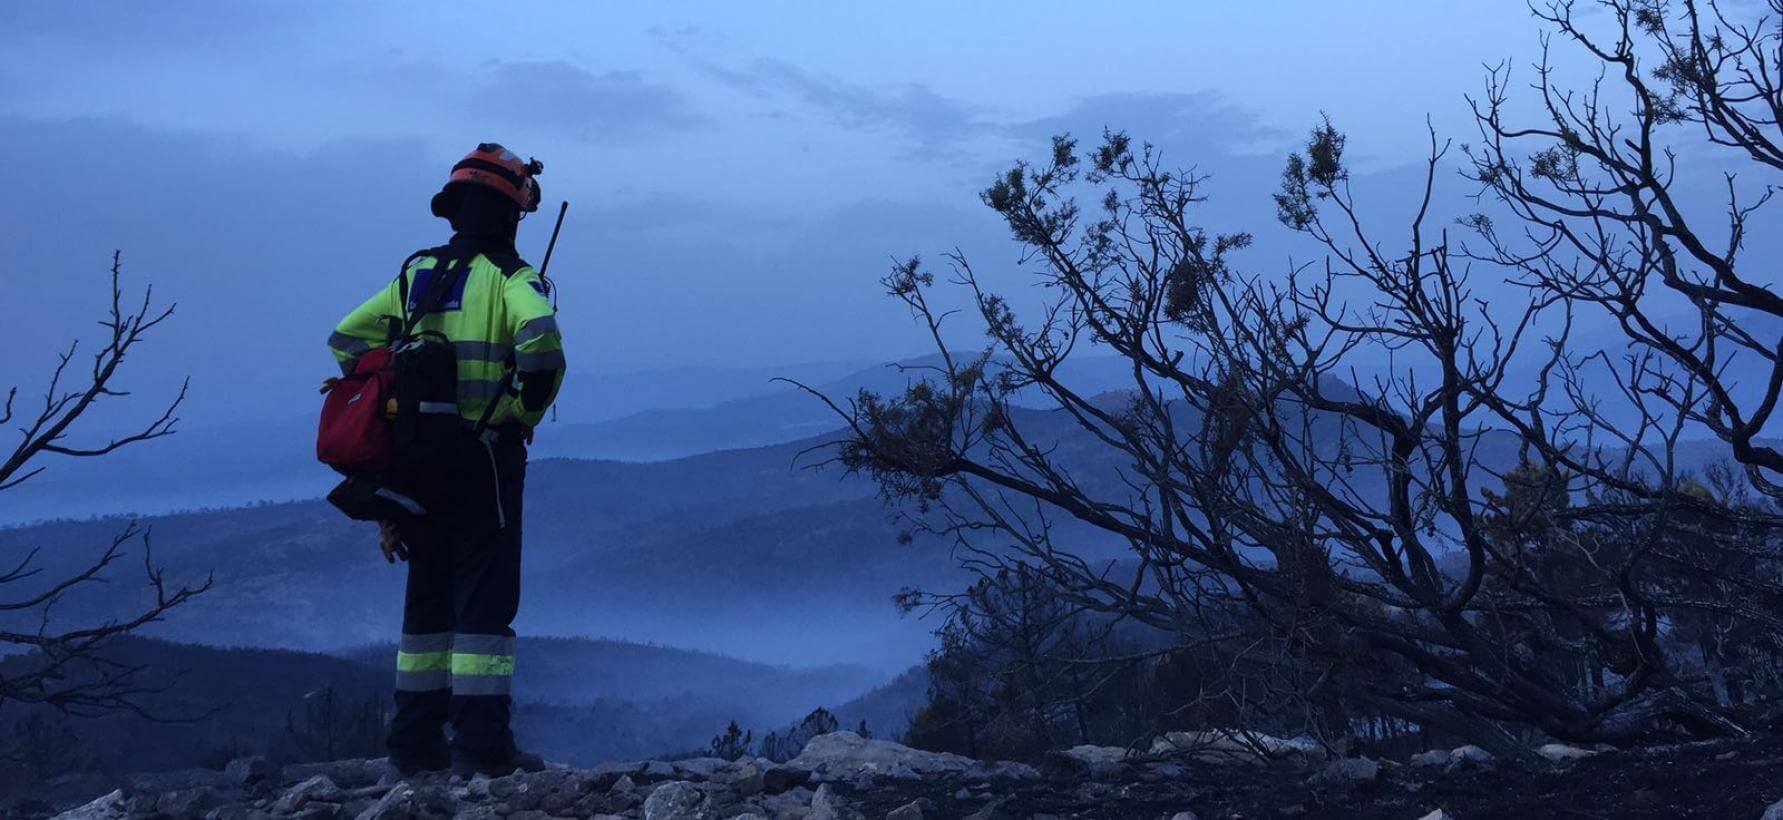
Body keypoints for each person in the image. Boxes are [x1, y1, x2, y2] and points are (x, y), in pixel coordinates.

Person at [326, 143, 565, 776]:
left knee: (426, 601)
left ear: (454, 208)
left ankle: (413, 745)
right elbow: (542, 350)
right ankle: (482, 751)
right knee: (484, 603)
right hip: (484, 460)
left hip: (415, 462)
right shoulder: (515, 280)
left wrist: (391, 387)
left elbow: (346, 338)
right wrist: (520, 412)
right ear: (515, 212)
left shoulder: (416, 276)